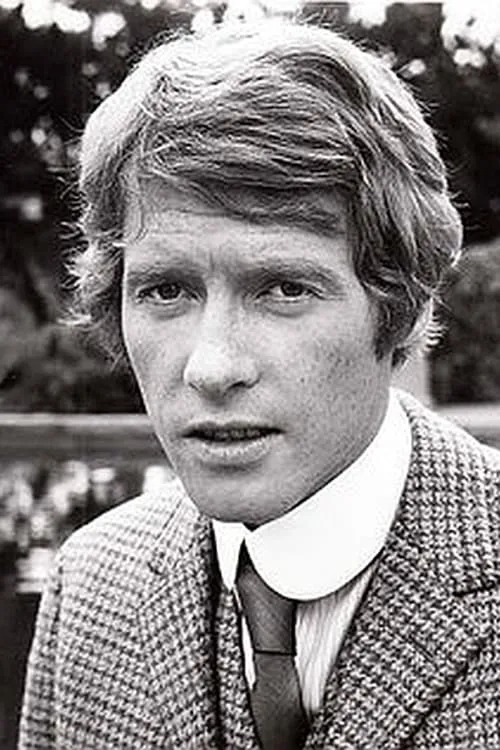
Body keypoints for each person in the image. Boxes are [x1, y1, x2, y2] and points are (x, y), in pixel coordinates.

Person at [19, 17, 500, 750]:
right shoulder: (90, 583)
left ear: (404, 305)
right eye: (166, 290)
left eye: (282, 288)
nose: (210, 367)